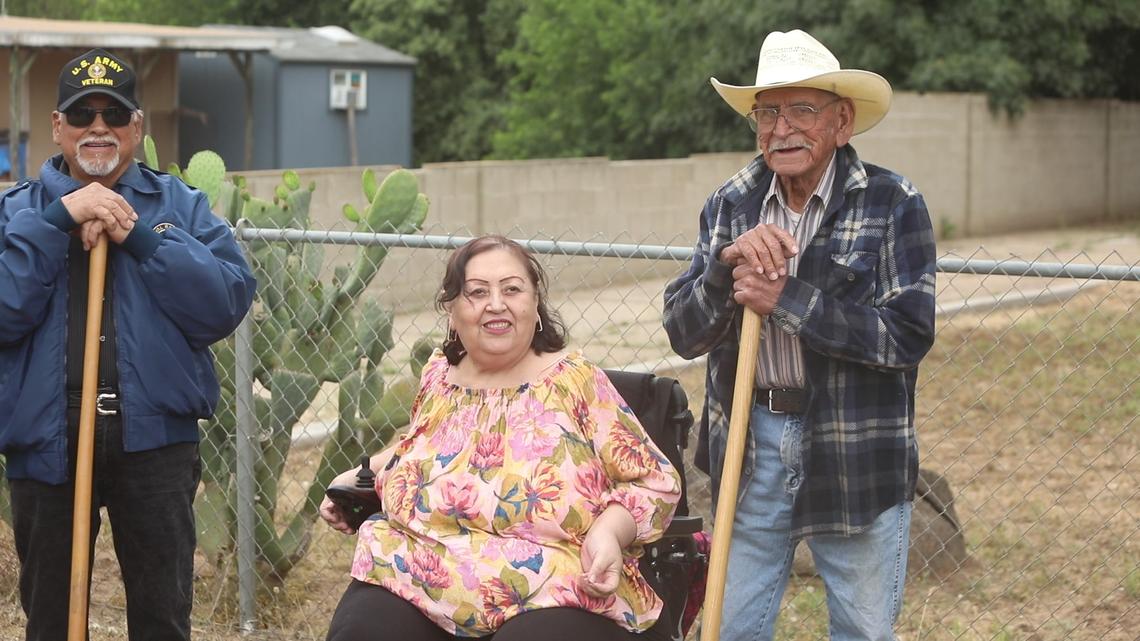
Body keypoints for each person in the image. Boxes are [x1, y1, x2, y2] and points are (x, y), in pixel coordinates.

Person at [663, 30, 937, 640]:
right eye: (768, 112)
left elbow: (907, 336)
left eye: (802, 110)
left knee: (862, 631)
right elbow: (683, 332)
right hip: (748, 441)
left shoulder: (893, 203)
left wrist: (786, 298)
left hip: (854, 444)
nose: (782, 128)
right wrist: (724, 271)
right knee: (728, 629)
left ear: (842, 122)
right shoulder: (731, 204)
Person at [0, 48, 257, 641]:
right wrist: (59, 220)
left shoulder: (181, 208)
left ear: (137, 128)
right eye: (82, 114)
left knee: (162, 616)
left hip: (155, 442)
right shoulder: (18, 213)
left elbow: (223, 303)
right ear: (57, 127)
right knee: (51, 619)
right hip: (47, 439)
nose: (98, 127)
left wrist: (138, 236)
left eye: (113, 114)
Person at [320, 235, 682, 641]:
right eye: (477, 292)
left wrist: (609, 532)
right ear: (453, 312)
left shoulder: (575, 382)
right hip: (418, 576)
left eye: (512, 289)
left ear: (535, 305)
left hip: (550, 591)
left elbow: (654, 482)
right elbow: (420, 446)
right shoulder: (440, 377)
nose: (496, 303)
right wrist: (359, 477)